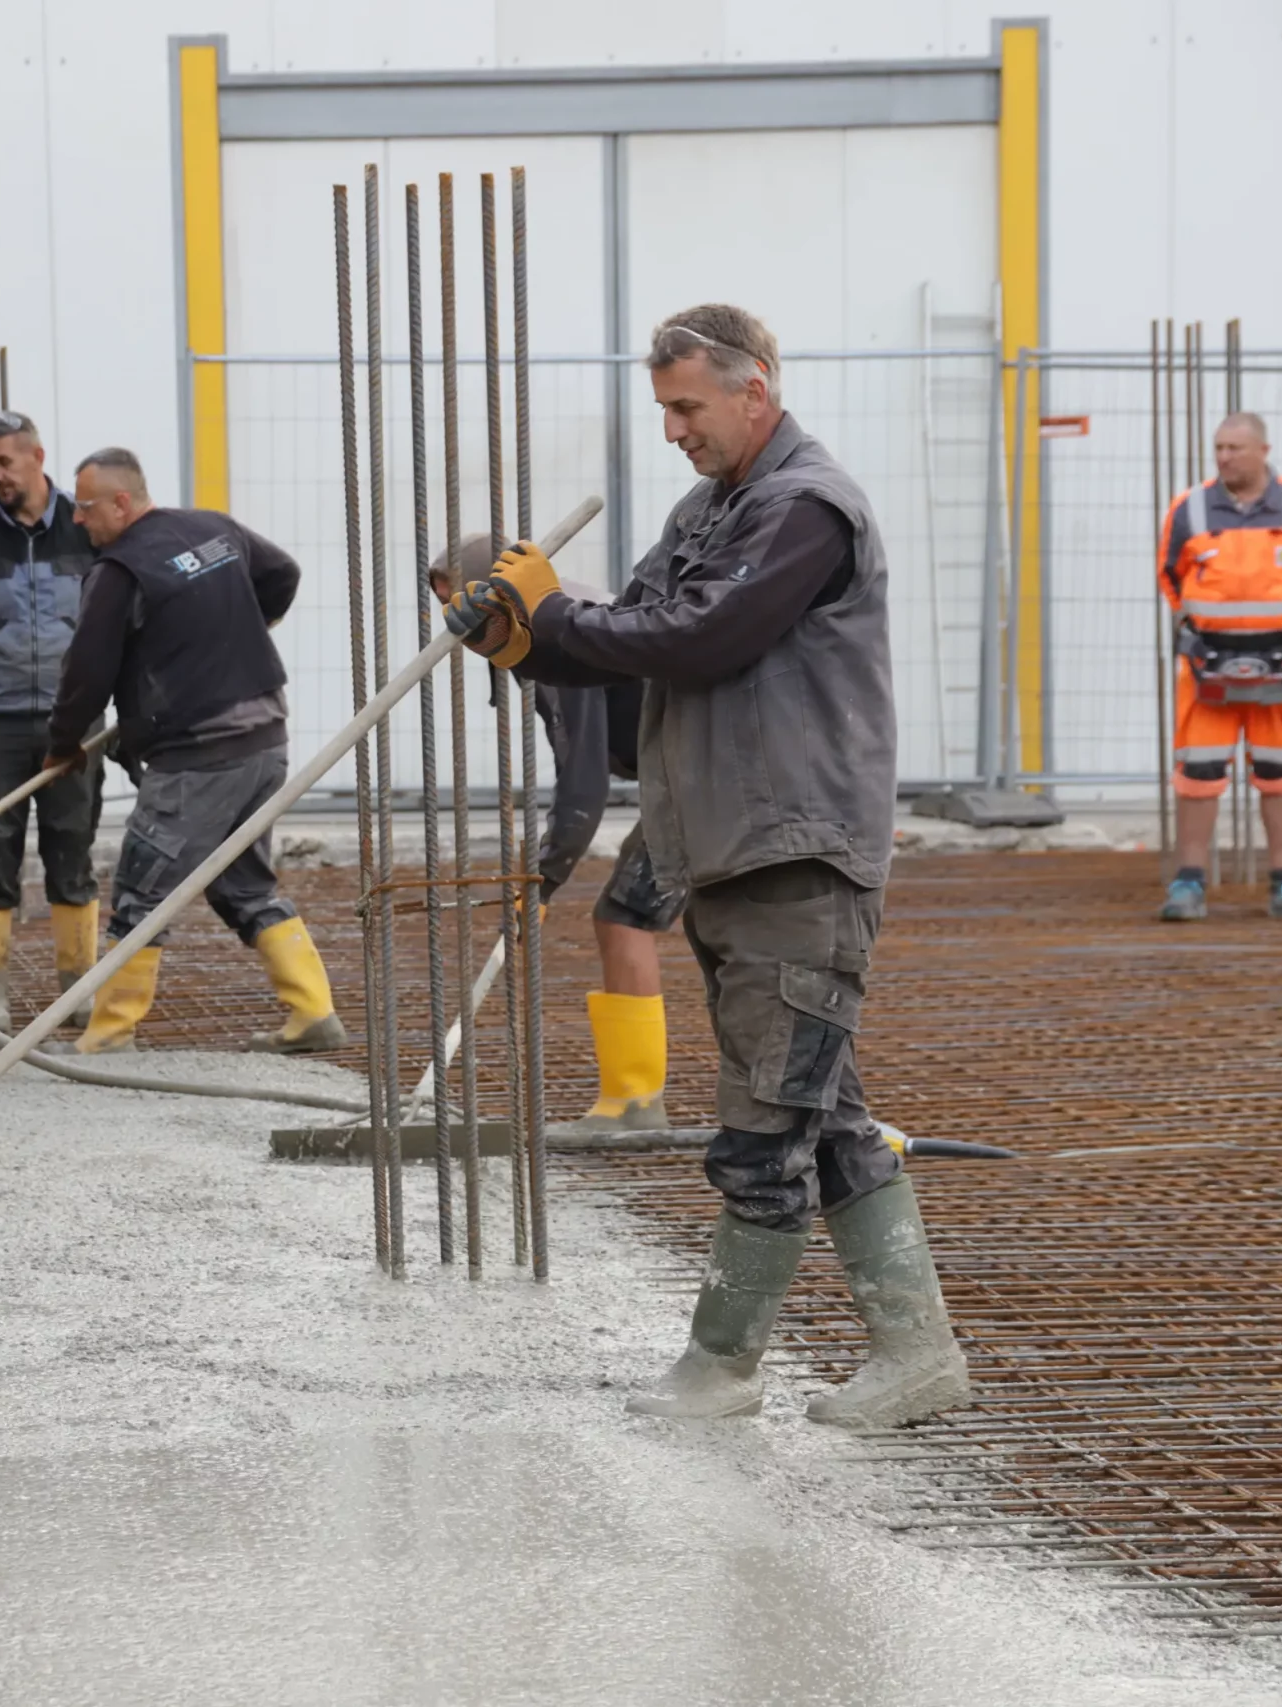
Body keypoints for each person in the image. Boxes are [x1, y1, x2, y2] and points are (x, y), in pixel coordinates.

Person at [447, 304, 966, 1429]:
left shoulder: (804, 512)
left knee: (768, 1123)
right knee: (820, 1110)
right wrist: (532, 637)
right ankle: (916, 1353)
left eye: (687, 406)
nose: (674, 429)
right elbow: (639, 637)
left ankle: (721, 1366)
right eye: (665, 410)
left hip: (797, 851)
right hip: (728, 850)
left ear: (755, 388)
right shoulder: (712, 508)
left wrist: (559, 621)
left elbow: (699, 639)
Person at [44, 448, 345, 1057]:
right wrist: (234, 630)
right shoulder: (214, 529)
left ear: (122, 503)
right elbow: (281, 574)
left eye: (86, 506)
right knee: (242, 881)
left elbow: (87, 672)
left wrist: (62, 744)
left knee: (143, 886)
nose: (78, 519)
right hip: (265, 739)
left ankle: (108, 1034)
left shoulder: (120, 570)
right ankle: (312, 1013)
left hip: (201, 754)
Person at [429, 536, 682, 1134]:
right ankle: (636, 1098)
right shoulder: (564, 609)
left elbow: (582, 786)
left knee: (627, 913)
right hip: (694, 768)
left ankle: (635, 1103)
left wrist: (541, 879)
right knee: (639, 913)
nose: (462, 633)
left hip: (711, 773)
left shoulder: (558, 635)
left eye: (466, 613)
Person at [1155, 412, 1282, 923]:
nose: (1223, 457)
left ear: (1263, 450)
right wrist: (1201, 628)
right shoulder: (1189, 508)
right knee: (1199, 771)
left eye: (1234, 447)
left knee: (1279, 772)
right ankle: (1188, 883)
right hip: (1206, 668)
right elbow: (1170, 575)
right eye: (1218, 447)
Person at [0, 411, 103, 1031]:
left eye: (5, 463)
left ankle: (78, 989)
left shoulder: (85, 531)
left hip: (72, 719)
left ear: (37, 457)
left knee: (71, 850)